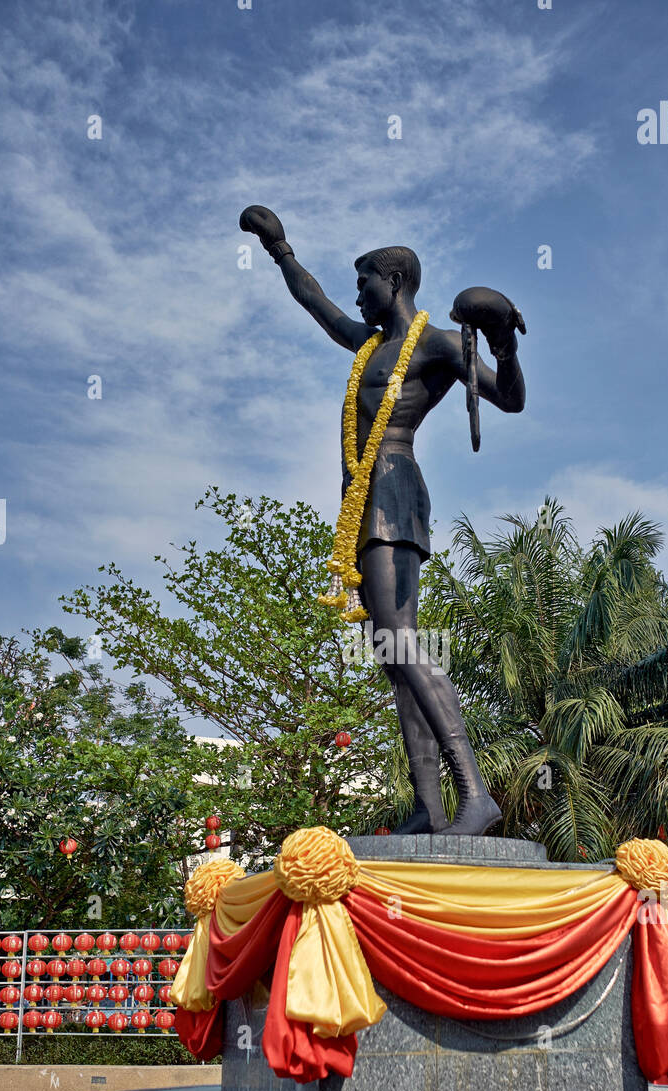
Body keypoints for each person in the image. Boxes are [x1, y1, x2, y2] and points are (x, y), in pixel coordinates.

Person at [239, 205, 526, 835]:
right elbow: (316, 304)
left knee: (402, 639)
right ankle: (429, 805)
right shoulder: (369, 343)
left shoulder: (435, 344)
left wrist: (503, 346)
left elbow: (508, 399)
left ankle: (474, 795)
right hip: (360, 495)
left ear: (392, 281)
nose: (357, 294)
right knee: (392, 656)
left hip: (393, 490)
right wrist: (281, 249)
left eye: (363, 281)